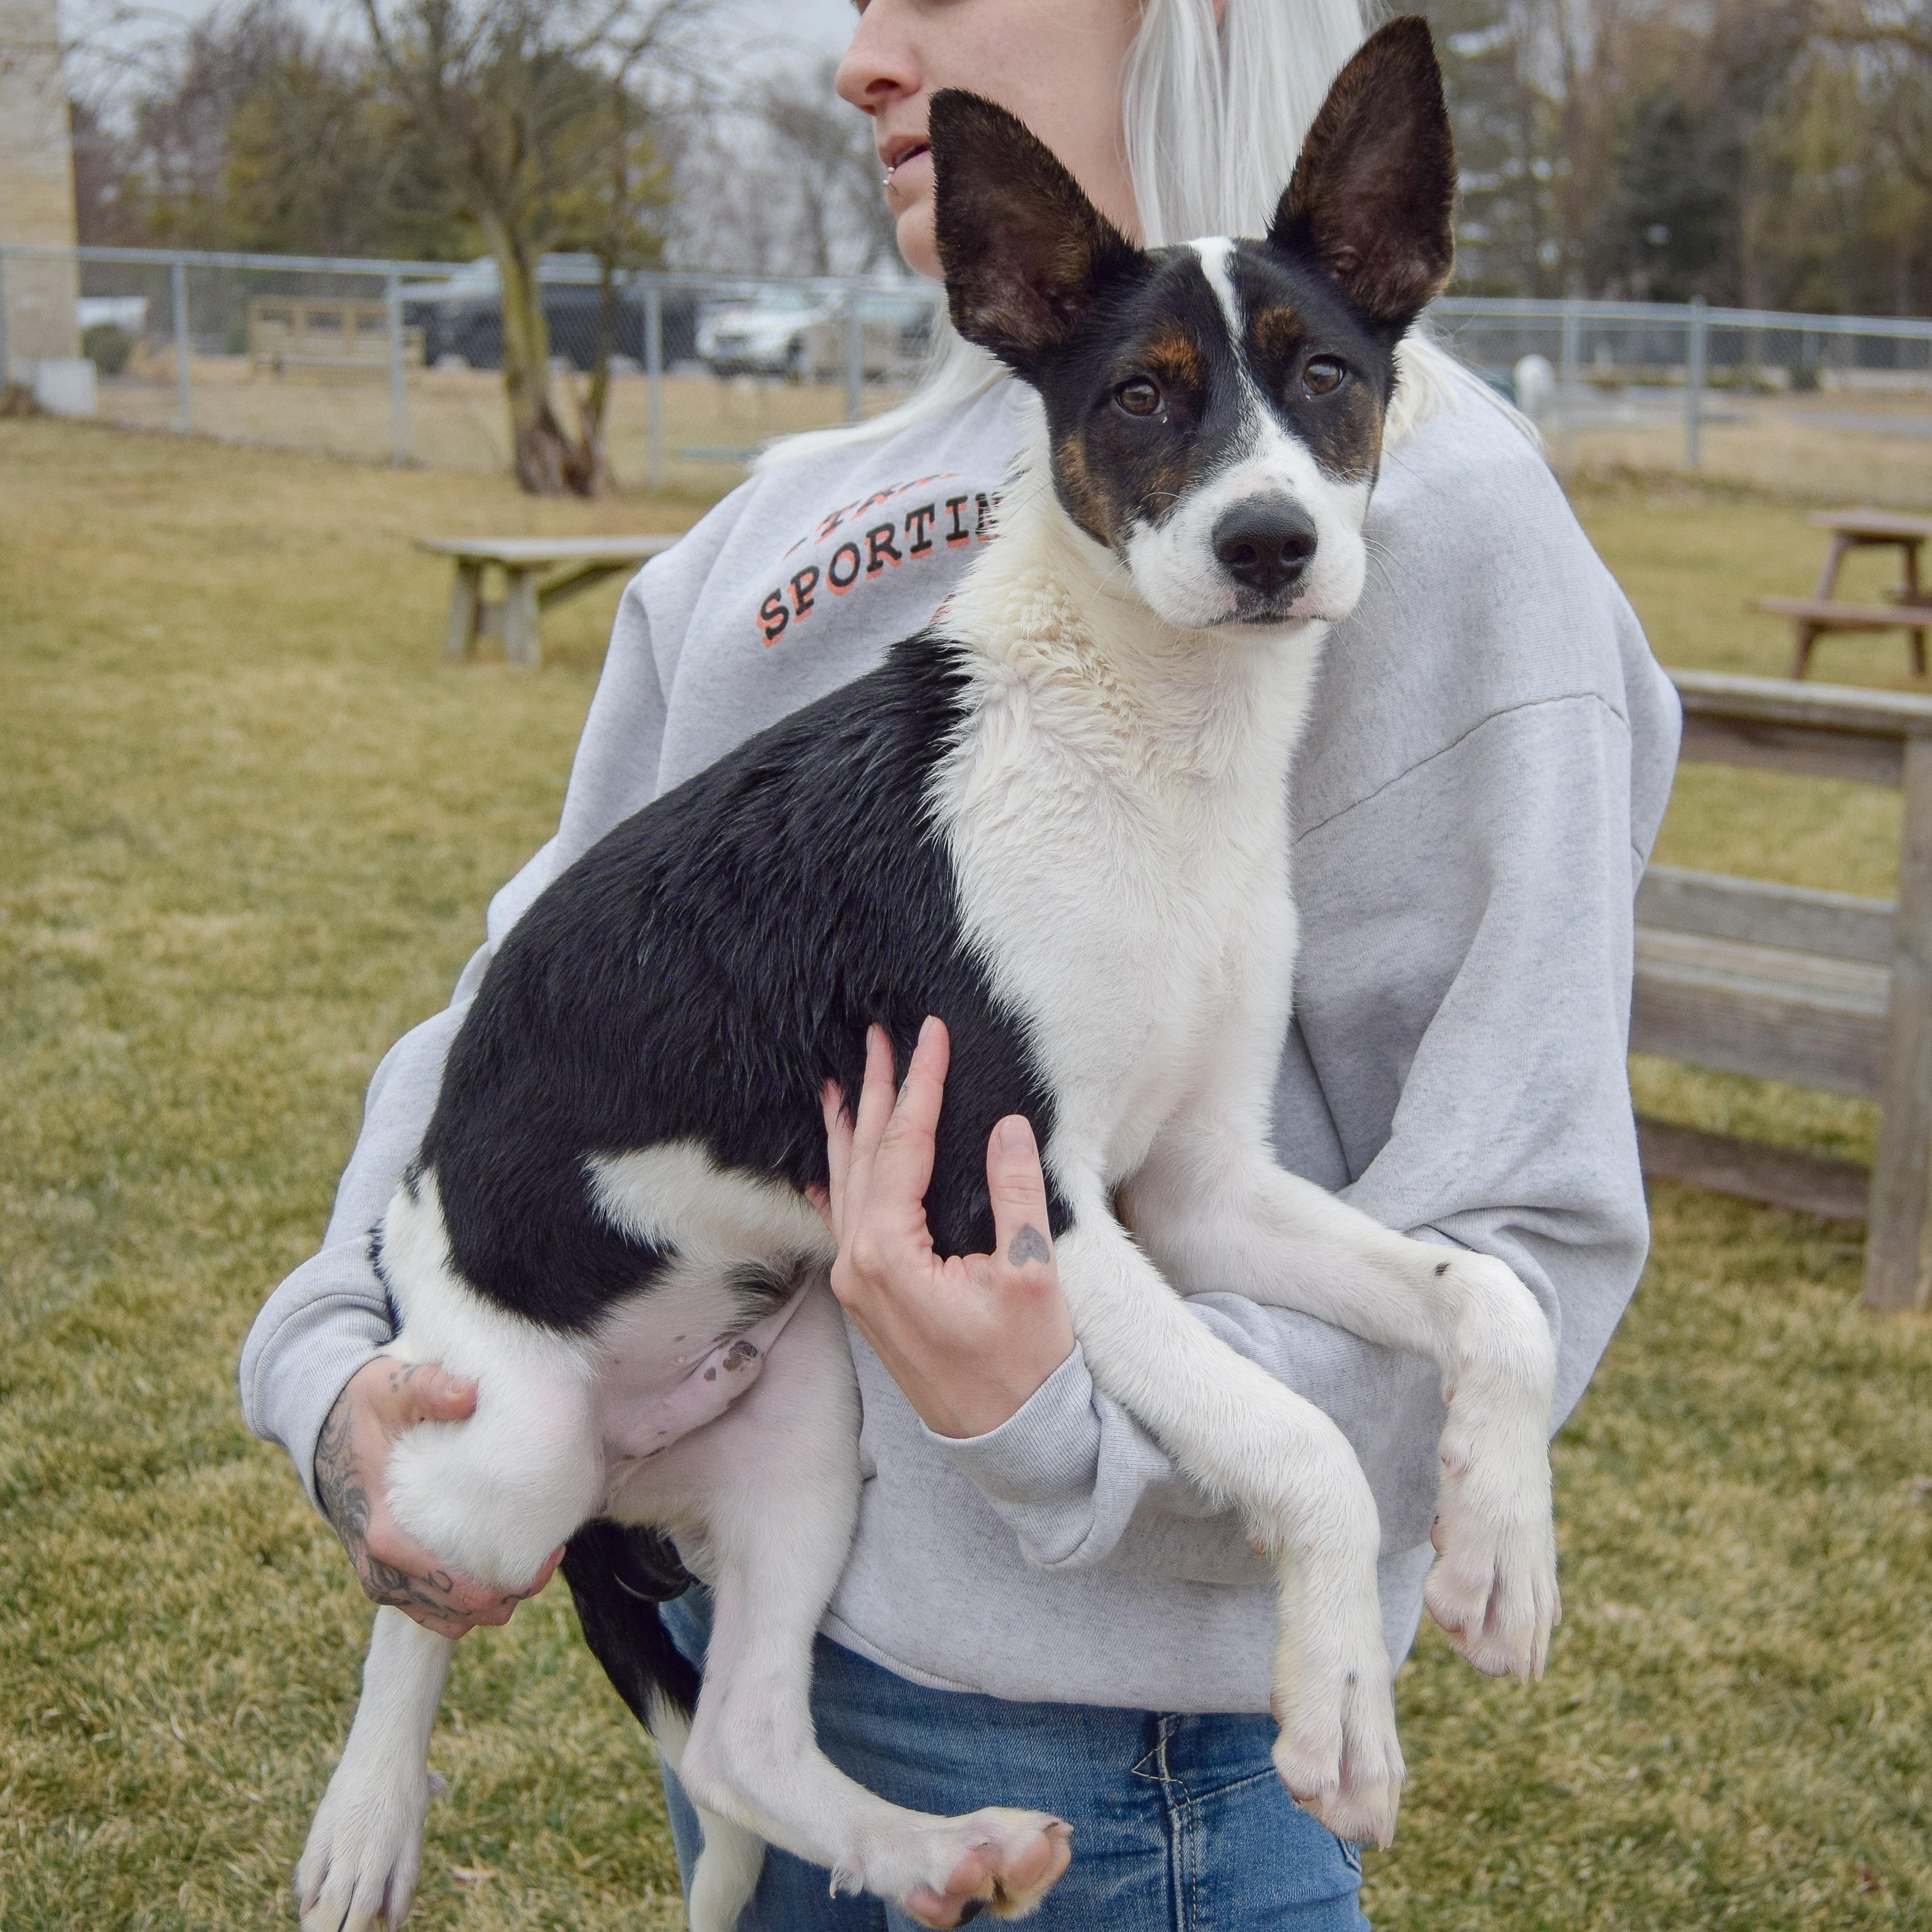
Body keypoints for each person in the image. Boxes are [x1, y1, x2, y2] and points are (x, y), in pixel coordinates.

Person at [241, 1, 1682, 1925]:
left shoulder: (1459, 517)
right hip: (768, 1588)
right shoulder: (774, 521)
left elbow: (1515, 1190)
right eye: (850, 3)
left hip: (1115, 1764)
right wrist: (338, 1372)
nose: (866, 55)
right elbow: (527, 981)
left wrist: (1088, 1434)